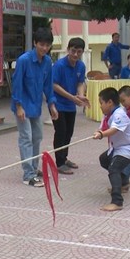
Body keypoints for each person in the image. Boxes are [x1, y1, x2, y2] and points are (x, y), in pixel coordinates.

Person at [12, 28, 58, 187]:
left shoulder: (47, 62)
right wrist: (18, 106)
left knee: (37, 136)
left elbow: (48, 85)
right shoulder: (24, 60)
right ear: (35, 43)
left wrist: (52, 104)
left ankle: (33, 167)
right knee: (26, 138)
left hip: (35, 106)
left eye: (48, 45)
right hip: (22, 106)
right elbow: (16, 84)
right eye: (42, 45)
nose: (44, 48)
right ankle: (28, 175)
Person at [93, 87, 130, 212]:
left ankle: (117, 201)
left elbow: (114, 129)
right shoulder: (109, 114)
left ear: (109, 102)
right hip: (118, 147)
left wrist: (102, 134)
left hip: (129, 148)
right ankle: (123, 183)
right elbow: (103, 127)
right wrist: (99, 132)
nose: (100, 106)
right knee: (104, 159)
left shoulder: (119, 113)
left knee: (114, 168)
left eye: (101, 103)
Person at [52, 37, 90, 175]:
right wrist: (72, 97)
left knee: (69, 133)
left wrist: (80, 95)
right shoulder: (59, 65)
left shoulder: (81, 66)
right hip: (57, 105)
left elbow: (80, 82)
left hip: (70, 105)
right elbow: (54, 85)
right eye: (73, 51)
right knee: (60, 132)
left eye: (79, 52)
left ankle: (64, 157)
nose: (75, 54)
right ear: (68, 50)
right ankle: (59, 162)